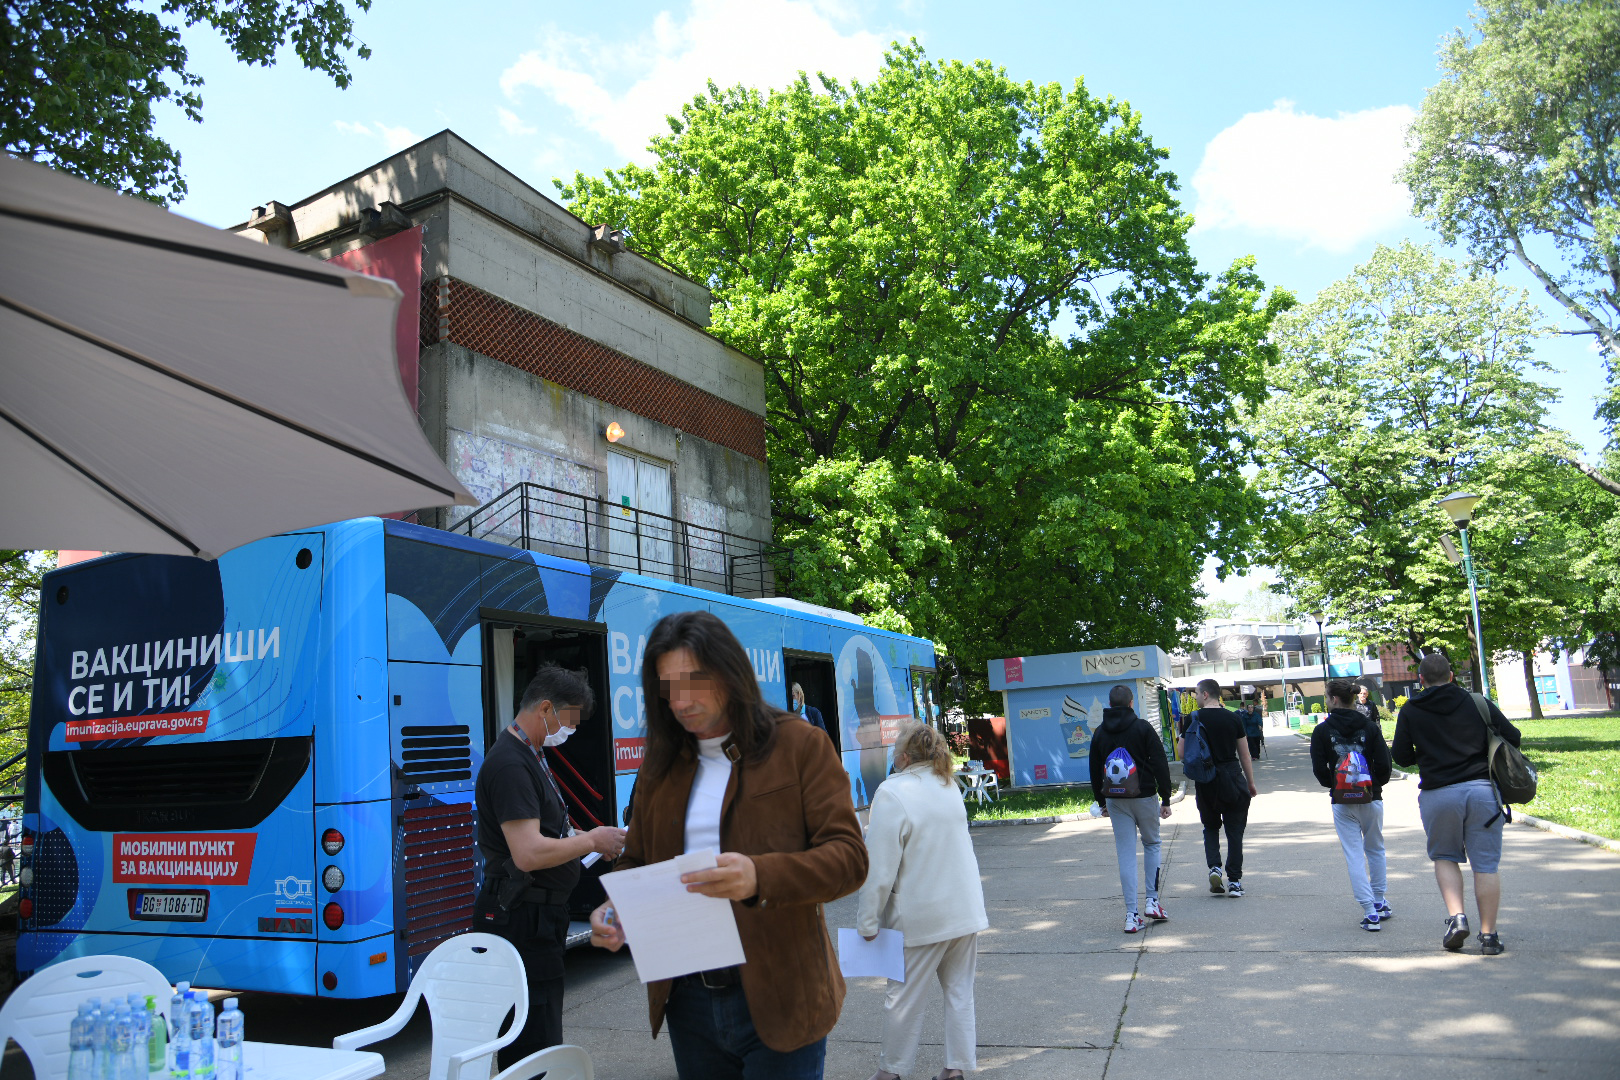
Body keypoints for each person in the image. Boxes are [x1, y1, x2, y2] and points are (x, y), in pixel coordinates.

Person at [588, 610, 868, 1079]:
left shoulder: (799, 745)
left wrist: (760, 876)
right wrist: (616, 908)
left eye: (695, 681)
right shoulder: (661, 765)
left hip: (782, 995)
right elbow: (635, 859)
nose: (681, 701)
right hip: (688, 1001)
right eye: (668, 686)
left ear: (729, 672)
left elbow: (849, 858)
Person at [473, 665, 627, 1068]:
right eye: (569, 720)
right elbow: (526, 852)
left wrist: (584, 835)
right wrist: (591, 840)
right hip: (524, 918)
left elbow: (548, 830)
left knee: (542, 1031)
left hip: (539, 917)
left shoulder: (531, 754)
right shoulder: (511, 763)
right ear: (545, 709)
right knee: (533, 1042)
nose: (569, 731)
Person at [857, 723, 988, 1080]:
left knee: (902, 999)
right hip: (964, 910)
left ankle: (891, 1073)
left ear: (902, 757)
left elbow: (879, 869)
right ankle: (956, 1069)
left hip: (921, 916)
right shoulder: (948, 785)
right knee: (960, 992)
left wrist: (867, 923)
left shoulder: (892, 793)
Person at [1392, 653, 1521, 955]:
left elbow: (1401, 756)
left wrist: (1426, 755)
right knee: (1485, 865)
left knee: (1445, 857)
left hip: (1439, 794)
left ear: (1421, 680)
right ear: (1451, 676)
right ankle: (1489, 936)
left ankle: (1458, 918)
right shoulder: (1477, 702)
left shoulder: (1411, 709)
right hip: (1481, 792)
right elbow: (1512, 736)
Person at [1089, 684, 1175, 932]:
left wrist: (1102, 801)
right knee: (1152, 844)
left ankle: (1131, 915)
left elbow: (1095, 770)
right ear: (1131, 703)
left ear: (1110, 703)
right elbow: (1160, 762)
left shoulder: (1100, 733)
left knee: (1126, 854)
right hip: (1145, 796)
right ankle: (1152, 901)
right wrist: (1165, 798)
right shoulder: (1143, 728)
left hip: (1115, 801)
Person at [1310, 678, 1394, 931]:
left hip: (1342, 801)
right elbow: (1384, 765)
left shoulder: (1322, 731)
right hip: (1371, 797)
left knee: (1354, 855)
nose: (1326, 701)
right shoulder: (1369, 727)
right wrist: (1374, 786)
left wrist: (1335, 786)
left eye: (1326, 697)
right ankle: (1379, 901)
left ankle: (1369, 912)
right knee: (1376, 849)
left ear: (1334, 699)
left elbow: (1319, 769)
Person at [1178, 679, 1259, 897]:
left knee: (1211, 827)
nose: (1195, 697)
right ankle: (1234, 882)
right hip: (1232, 778)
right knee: (1235, 831)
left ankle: (1214, 867)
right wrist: (1250, 783)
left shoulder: (1193, 718)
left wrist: (1182, 734)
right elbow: (1245, 754)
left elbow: (1182, 753)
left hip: (1206, 780)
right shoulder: (1233, 717)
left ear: (1205, 694)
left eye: (1196, 693)